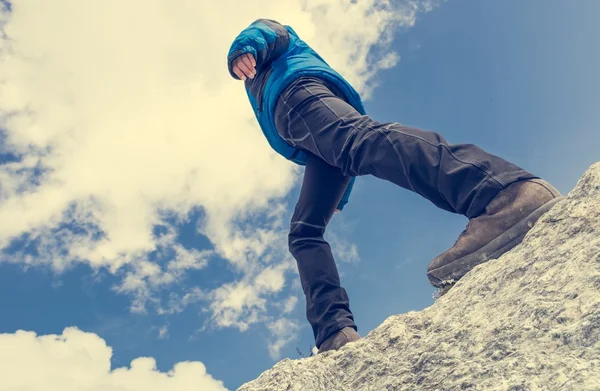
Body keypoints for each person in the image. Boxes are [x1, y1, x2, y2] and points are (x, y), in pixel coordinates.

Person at [226, 19, 564, 353]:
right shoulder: (262, 84)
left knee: (358, 141)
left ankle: (503, 193)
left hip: (297, 97)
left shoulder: (268, 50)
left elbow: (270, 32)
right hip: (306, 136)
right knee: (304, 231)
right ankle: (334, 333)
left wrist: (242, 49)